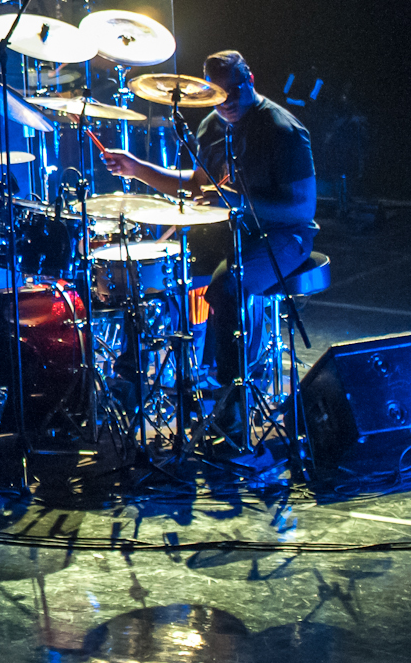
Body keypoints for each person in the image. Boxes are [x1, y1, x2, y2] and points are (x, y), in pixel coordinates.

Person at [103, 50, 317, 403]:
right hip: (227, 233)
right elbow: (198, 184)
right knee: (152, 270)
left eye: (232, 94)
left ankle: (235, 396)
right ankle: (133, 381)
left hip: (283, 235)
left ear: (249, 80)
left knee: (227, 286)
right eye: (216, 97)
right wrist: (138, 168)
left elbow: (301, 208)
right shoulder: (211, 125)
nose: (226, 103)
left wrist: (239, 204)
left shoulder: (283, 130)